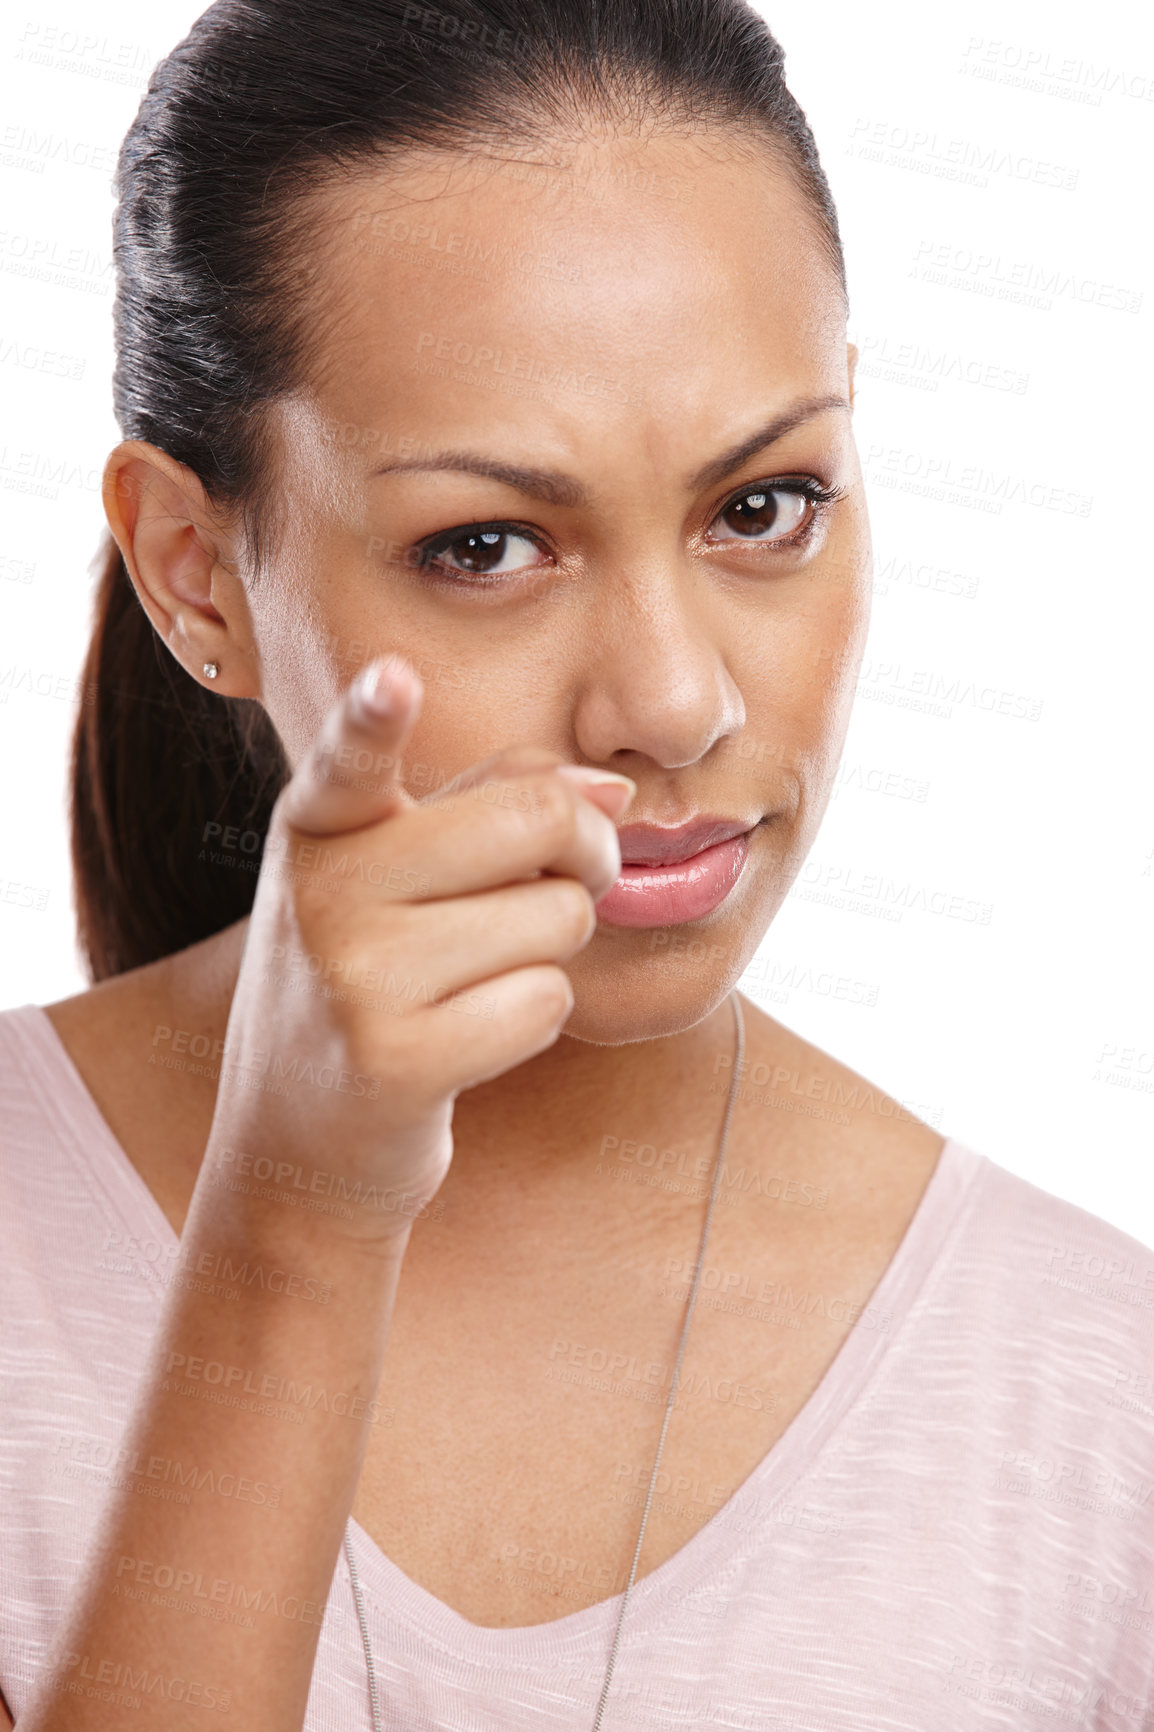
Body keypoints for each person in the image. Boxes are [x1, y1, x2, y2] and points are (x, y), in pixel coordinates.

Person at [2, 0, 1152, 1726]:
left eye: (760, 506)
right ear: (194, 575)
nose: (673, 705)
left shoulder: (1089, 1399)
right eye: (487, 544)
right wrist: (295, 1225)